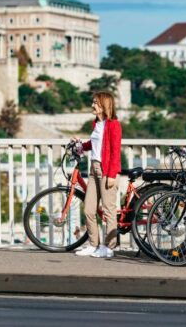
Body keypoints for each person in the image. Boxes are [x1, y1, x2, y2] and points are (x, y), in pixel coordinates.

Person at [73, 91, 122, 259]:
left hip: (106, 170)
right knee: (88, 209)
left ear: (104, 105)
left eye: (95, 103)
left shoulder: (113, 125)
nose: (92, 105)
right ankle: (93, 245)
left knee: (108, 211)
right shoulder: (96, 124)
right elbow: (92, 144)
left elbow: (115, 152)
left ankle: (108, 247)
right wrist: (81, 146)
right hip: (94, 169)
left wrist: (112, 174)